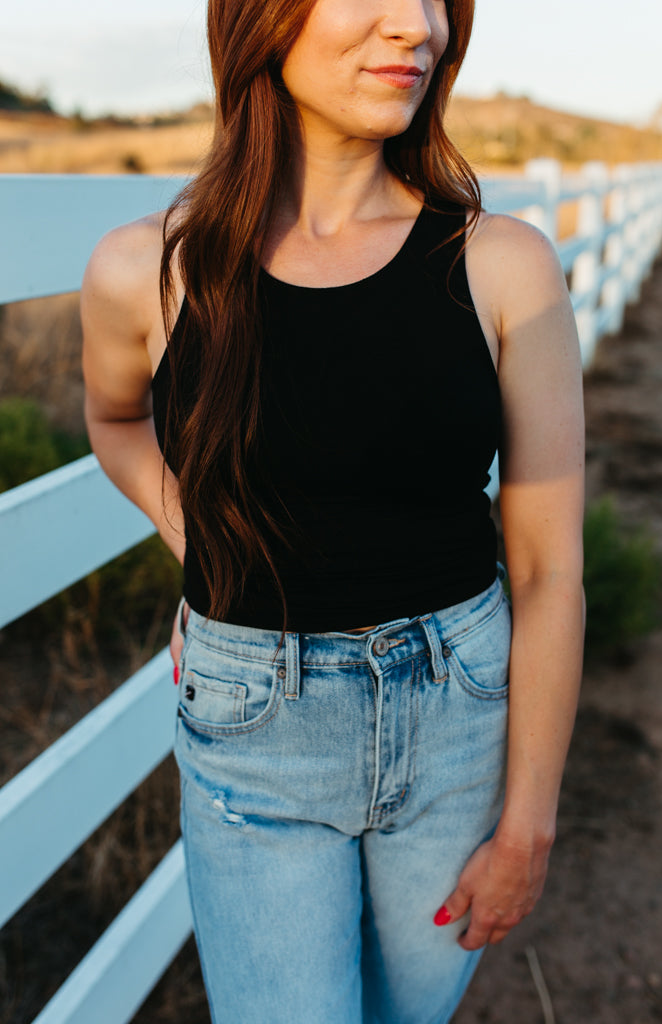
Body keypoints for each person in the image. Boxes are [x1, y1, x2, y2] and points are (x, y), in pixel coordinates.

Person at [81, 0, 585, 1020]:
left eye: (434, 0)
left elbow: (545, 568)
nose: (417, 26)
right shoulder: (150, 268)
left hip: (458, 715)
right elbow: (114, 419)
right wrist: (206, 542)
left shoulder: (500, 264)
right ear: (263, 19)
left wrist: (526, 823)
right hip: (254, 732)